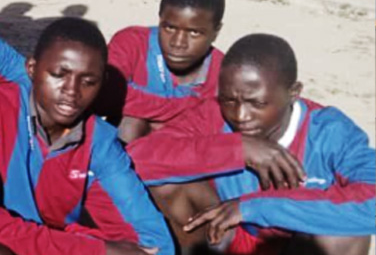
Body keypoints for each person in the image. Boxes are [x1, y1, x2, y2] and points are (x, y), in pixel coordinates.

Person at [128, 34, 375, 254]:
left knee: (344, 234)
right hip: (227, 236)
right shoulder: (214, 115)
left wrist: (254, 208)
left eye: (256, 104)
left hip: (294, 243)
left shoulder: (330, 133)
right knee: (165, 180)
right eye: (228, 100)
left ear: (293, 93)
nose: (240, 115)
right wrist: (238, 148)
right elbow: (135, 161)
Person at [0, 18, 175, 255]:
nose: (72, 91)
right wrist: (93, 250)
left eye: (89, 82)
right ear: (31, 69)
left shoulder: (98, 141)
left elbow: (154, 239)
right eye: (59, 74)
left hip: (56, 245)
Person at [103, 0, 225, 142]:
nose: (178, 43)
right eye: (169, 27)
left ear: (216, 31)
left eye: (194, 33)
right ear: (160, 17)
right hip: (115, 155)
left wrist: (146, 110)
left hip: (175, 157)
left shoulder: (224, 73)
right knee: (131, 123)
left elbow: (208, 129)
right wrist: (190, 104)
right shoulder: (133, 43)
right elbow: (107, 94)